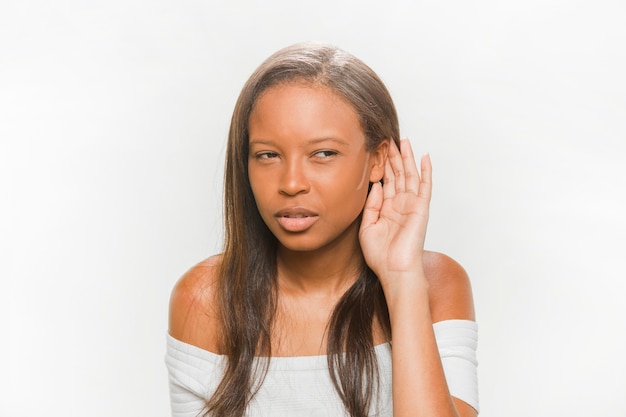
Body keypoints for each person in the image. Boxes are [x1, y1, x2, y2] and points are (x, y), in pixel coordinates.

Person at [165, 41, 478, 417]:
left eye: (323, 154)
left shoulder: (436, 284)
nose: (292, 183)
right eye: (268, 155)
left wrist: (402, 280)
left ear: (377, 160)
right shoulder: (205, 299)